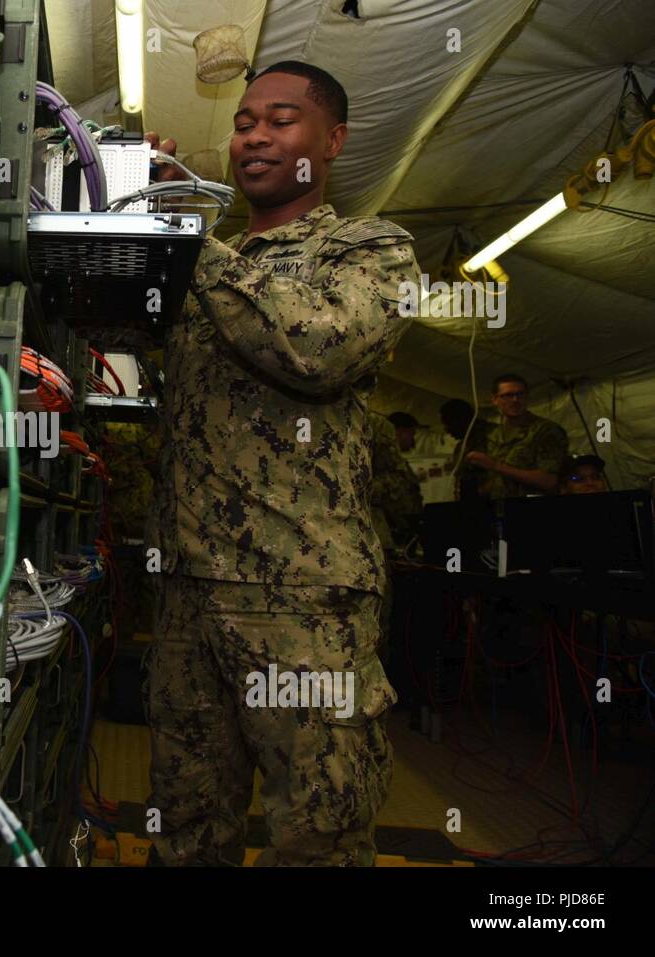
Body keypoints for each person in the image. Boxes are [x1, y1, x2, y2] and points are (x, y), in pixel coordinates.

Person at [144, 60, 417, 866]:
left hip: (301, 598)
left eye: (280, 119)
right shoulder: (203, 261)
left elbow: (318, 347)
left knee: (318, 834)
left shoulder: (372, 249)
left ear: (331, 141)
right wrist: (132, 218)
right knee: (185, 828)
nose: (254, 135)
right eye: (242, 121)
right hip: (188, 593)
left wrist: (190, 236)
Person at [464, 374, 568, 498]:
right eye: (508, 395)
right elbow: (501, 479)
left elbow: (549, 480)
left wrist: (495, 466)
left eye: (520, 394)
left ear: (527, 397)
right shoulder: (494, 434)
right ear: (495, 400)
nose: (515, 400)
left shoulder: (546, 431)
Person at [370, 412, 423, 549]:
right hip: (388, 531)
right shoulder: (381, 465)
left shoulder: (398, 464)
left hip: (403, 533)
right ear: (399, 432)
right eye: (412, 434)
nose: (413, 440)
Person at [437, 398, 492, 500]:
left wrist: (481, 491)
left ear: (459, 420)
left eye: (447, 424)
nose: (446, 430)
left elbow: (506, 472)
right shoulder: (462, 446)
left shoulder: (493, 437)